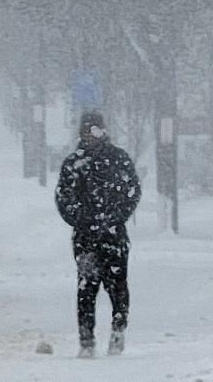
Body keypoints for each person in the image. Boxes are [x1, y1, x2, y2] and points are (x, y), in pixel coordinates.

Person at [55, 110, 142, 358]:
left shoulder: (118, 159)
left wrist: (115, 217)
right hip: (86, 238)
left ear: (102, 131)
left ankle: (118, 329)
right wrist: (82, 220)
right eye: (86, 130)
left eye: (94, 129)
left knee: (117, 286)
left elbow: (132, 191)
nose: (90, 135)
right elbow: (64, 198)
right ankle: (86, 339)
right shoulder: (74, 163)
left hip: (113, 235)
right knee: (87, 287)